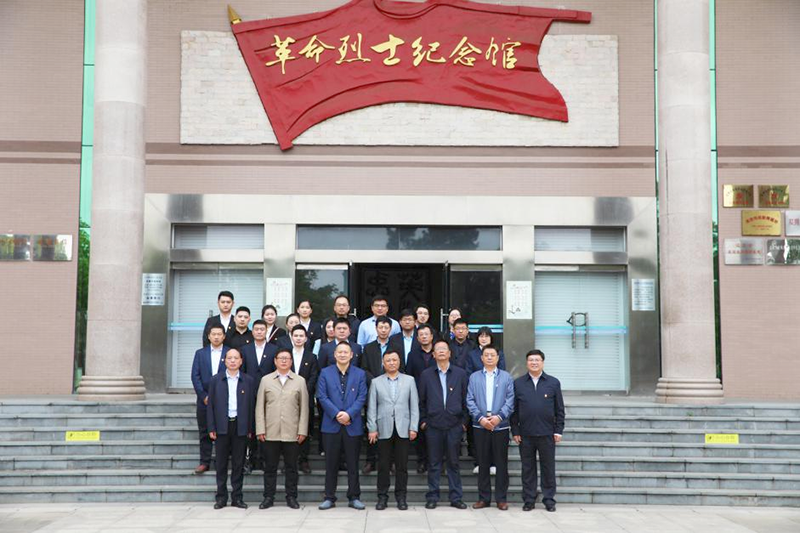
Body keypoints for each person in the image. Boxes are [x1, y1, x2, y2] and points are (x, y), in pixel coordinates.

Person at [511, 349, 565, 512]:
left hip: (547, 433)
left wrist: (558, 430)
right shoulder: (518, 383)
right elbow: (514, 410)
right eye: (531, 360)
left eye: (537, 360)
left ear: (542, 362)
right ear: (527, 363)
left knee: (548, 468)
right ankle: (529, 499)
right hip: (525, 434)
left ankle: (549, 500)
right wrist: (515, 431)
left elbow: (559, 409)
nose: (534, 363)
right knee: (528, 468)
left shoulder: (553, 382)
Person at [255, 348, 309, 510]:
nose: (284, 361)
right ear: (275, 361)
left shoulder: (299, 381)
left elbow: (304, 408)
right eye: (281, 358)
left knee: (291, 468)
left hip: (292, 432)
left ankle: (291, 497)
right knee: (270, 468)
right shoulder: (266, 380)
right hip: (270, 432)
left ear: (291, 361)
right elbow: (260, 407)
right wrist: (260, 429)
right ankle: (268, 497)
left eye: (287, 358)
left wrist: (302, 430)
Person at [316, 342, 368, 510]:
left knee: (353, 464)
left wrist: (349, 414)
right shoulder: (325, 373)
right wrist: (337, 414)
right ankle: (329, 497)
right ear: (335, 355)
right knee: (331, 464)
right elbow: (322, 396)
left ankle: (354, 497)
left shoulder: (360, 374)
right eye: (340, 352)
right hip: (331, 424)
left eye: (346, 352)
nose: (343, 355)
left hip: (353, 424)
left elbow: (362, 397)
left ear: (351, 355)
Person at [418, 339, 469, 510]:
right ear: (433, 354)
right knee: (434, 463)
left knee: (453, 462)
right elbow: (421, 401)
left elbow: (466, 399)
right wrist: (423, 421)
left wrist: (464, 423)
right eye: (437, 349)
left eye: (444, 349)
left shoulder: (460, 374)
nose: (441, 351)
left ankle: (456, 497)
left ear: (449, 353)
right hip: (433, 425)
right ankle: (433, 496)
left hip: (454, 425)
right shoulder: (426, 375)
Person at [367, 349, 419, 511]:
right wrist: (372, 428)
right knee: (383, 465)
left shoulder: (409, 380)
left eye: (394, 360)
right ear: (383, 363)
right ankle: (382, 497)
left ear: (399, 362)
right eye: (388, 360)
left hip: (403, 427)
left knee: (402, 466)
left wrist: (414, 427)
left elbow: (414, 406)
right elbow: (372, 407)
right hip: (383, 428)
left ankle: (401, 497)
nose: (391, 363)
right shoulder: (376, 382)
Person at [466, 345, 515, 511]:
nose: (489, 357)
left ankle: (501, 498)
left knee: (501, 463)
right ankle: (484, 498)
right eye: (486, 355)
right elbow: (469, 400)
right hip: (480, 425)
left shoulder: (506, 377)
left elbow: (510, 400)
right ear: (481, 358)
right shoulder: (474, 377)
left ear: (498, 358)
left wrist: (498, 417)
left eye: (492, 355)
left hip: (500, 425)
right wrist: (480, 418)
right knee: (483, 462)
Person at [207, 348, 257, 509]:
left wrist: (250, 428)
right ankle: (221, 497)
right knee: (221, 464)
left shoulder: (248, 380)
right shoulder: (215, 380)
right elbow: (210, 406)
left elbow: (252, 406)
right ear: (225, 360)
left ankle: (237, 497)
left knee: (238, 463)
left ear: (241, 361)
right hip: (222, 425)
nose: (233, 361)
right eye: (230, 358)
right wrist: (211, 427)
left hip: (240, 426)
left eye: (236, 358)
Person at [241, 319, 279, 474]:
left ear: (266, 331)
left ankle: (264, 460)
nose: (259, 332)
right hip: (249, 394)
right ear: (252, 331)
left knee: (267, 428)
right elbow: (242, 372)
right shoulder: (245, 349)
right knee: (250, 427)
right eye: (256, 329)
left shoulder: (274, 349)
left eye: (262, 329)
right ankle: (249, 460)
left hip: (269, 394)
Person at [190, 324, 228, 475]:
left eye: (219, 334)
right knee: (204, 431)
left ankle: (221, 462)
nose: (216, 337)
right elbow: (195, 376)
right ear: (208, 336)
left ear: (224, 336)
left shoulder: (230, 352)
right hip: (204, 400)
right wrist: (203, 396)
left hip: (224, 400)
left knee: (223, 432)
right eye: (214, 334)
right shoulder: (200, 353)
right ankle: (204, 462)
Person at [360, 315, 394, 474]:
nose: (383, 330)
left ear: (390, 329)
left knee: (391, 427)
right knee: (372, 426)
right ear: (376, 329)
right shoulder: (368, 348)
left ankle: (390, 461)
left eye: (386, 327)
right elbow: (364, 369)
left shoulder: (396, 346)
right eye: (381, 327)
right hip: (373, 391)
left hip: (392, 392)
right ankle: (370, 460)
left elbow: (400, 367)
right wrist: (377, 382)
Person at [287, 325, 320, 474]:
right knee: (289, 430)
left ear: (306, 338)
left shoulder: (311, 357)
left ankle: (303, 460)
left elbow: (314, 376)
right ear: (291, 337)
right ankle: (290, 461)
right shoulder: (285, 355)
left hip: (306, 398)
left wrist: (303, 392)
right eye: (296, 336)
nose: (299, 338)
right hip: (287, 399)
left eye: (301, 336)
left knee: (304, 429)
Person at [404, 323, 436, 473]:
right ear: (417, 338)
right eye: (421, 335)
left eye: (426, 334)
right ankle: (422, 461)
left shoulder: (438, 352)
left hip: (437, 396)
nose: (424, 337)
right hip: (418, 396)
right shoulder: (413, 355)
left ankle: (436, 461)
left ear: (431, 336)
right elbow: (409, 375)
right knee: (421, 430)